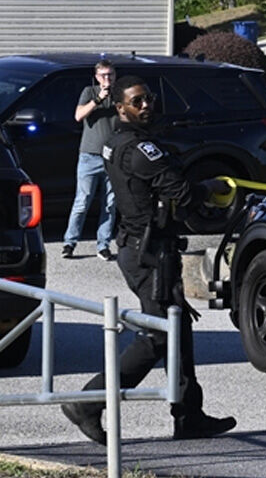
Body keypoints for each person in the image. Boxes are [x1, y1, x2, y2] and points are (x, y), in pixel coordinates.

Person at [61, 74, 237, 445]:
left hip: (151, 247)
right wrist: (210, 188)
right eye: (136, 102)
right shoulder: (139, 150)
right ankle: (88, 403)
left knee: (178, 331)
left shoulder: (120, 142)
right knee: (159, 335)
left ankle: (189, 415)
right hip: (147, 254)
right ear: (120, 108)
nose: (146, 106)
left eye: (148, 99)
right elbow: (182, 192)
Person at [62, 60, 118, 261]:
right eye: (103, 75)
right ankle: (70, 242)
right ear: (96, 77)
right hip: (89, 156)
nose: (107, 79)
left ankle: (103, 245)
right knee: (82, 201)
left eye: (110, 75)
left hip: (112, 157)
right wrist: (99, 99)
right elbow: (78, 116)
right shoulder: (89, 92)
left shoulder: (120, 93)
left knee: (110, 204)